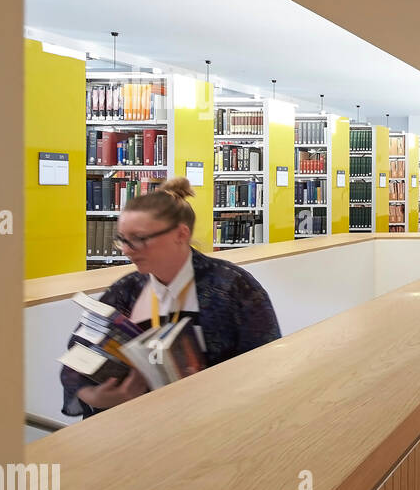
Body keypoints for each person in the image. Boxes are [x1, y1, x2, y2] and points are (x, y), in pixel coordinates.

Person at [60, 177, 281, 417]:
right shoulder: (126, 290)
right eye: (122, 239)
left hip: (216, 421)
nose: (126, 249)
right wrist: (98, 396)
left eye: (140, 238)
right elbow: (76, 362)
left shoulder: (234, 287)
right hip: (137, 427)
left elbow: (266, 364)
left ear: (181, 234)